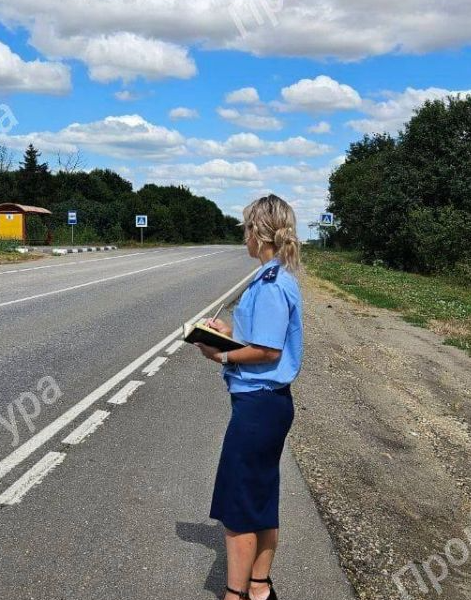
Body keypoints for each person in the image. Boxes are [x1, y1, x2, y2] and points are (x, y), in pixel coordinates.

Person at [195, 194, 303, 600]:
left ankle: (235, 594)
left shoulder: (273, 284)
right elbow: (259, 335)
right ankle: (259, 589)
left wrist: (218, 352)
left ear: (259, 234)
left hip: (259, 405)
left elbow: (269, 350)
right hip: (267, 404)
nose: (243, 238)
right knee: (259, 498)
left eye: (245, 229)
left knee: (239, 509)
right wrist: (225, 328)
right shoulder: (271, 278)